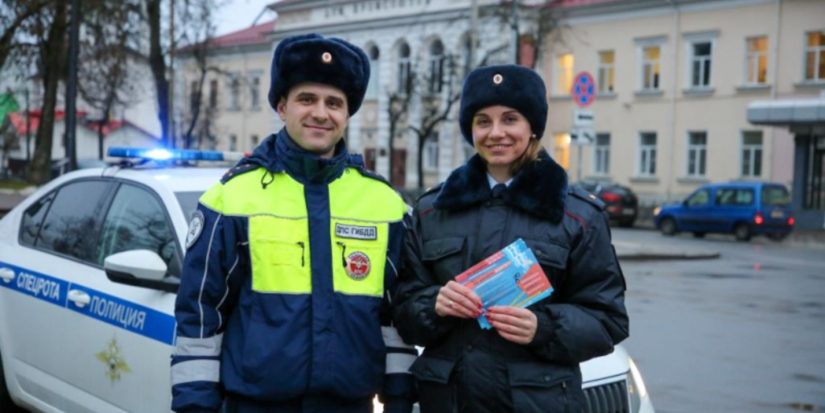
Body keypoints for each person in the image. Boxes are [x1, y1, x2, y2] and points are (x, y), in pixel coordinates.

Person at [172, 34, 417, 413]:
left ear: (347, 114)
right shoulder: (231, 198)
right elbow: (201, 315)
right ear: (282, 106)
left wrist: (400, 397)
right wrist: (196, 406)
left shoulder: (385, 204)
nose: (321, 113)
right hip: (255, 405)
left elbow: (394, 315)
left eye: (334, 103)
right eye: (307, 99)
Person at [392, 65, 629, 413]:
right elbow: (403, 308)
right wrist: (433, 305)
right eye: (483, 121)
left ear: (532, 126)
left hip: (537, 402)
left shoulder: (577, 216)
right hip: (448, 401)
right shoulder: (432, 210)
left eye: (510, 119)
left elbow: (607, 321)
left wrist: (543, 327)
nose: (496, 133)